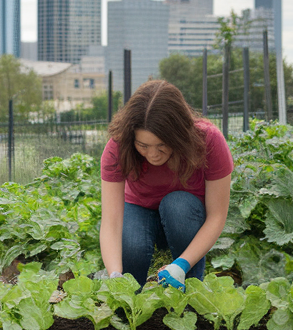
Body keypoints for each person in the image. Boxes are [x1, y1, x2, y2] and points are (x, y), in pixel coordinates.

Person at [99, 80, 232, 288]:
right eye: (143, 145)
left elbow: (217, 216)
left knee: (177, 205)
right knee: (132, 248)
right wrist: (115, 274)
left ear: (179, 136)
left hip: (185, 218)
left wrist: (181, 265)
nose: (152, 154)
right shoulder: (118, 146)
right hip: (139, 209)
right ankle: (130, 301)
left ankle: (190, 285)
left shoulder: (209, 141)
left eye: (162, 145)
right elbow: (111, 222)